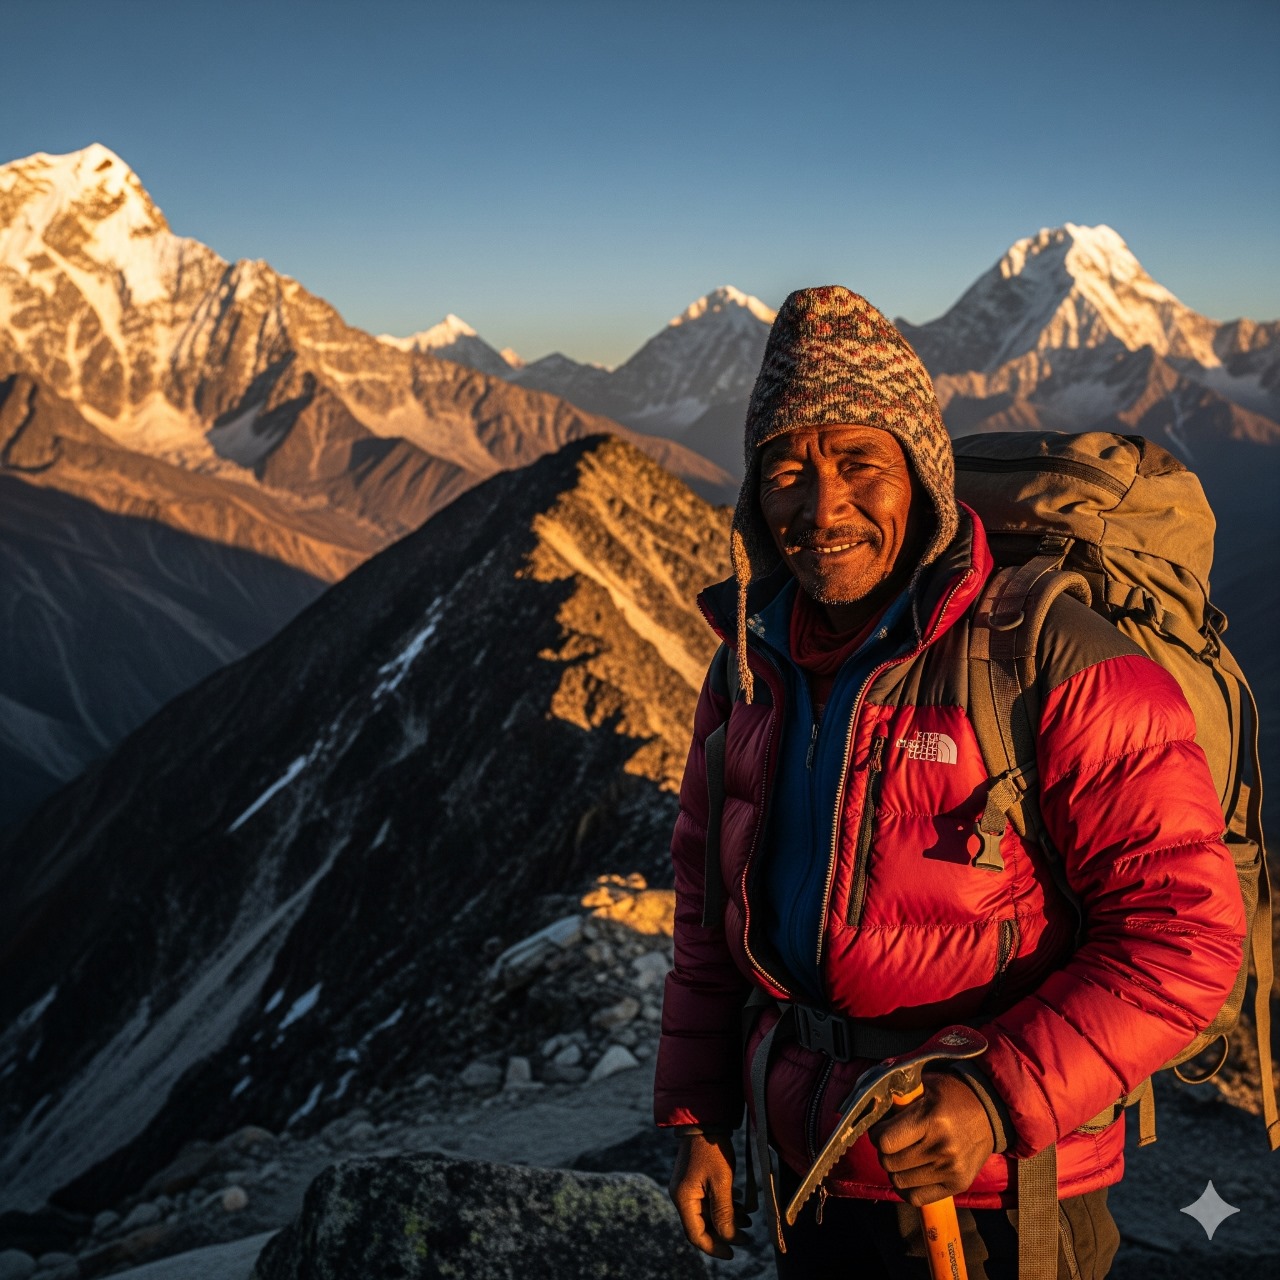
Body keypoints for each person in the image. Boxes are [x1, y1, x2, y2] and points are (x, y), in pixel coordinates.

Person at [653, 286, 1246, 1279]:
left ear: (920, 477)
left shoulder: (1048, 656)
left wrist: (991, 1097)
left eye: (857, 463)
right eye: (786, 468)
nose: (819, 504)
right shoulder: (748, 670)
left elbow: (1184, 938)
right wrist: (700, 1115)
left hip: (1003, 1192)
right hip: (810, 1167)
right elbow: (706, 917)